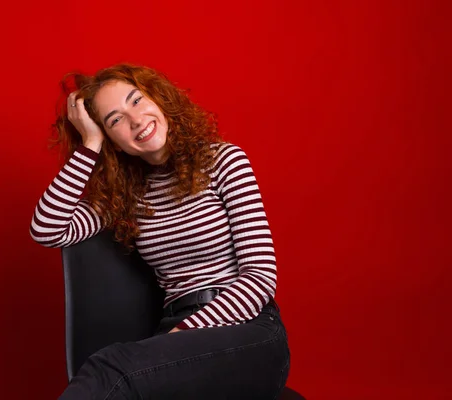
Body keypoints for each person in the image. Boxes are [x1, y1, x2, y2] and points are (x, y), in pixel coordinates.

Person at [30, 63, 290, 399]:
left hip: (248, 331)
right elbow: (47, 229)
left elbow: (260, 277)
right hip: (176, 332)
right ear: (115, 144)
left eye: (136, 101)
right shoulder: (126, 197)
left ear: (158, 99)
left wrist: (179, 336)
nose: (135, 120)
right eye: (115, 120)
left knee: (110, 368)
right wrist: (90, 144)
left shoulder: (224, 162)